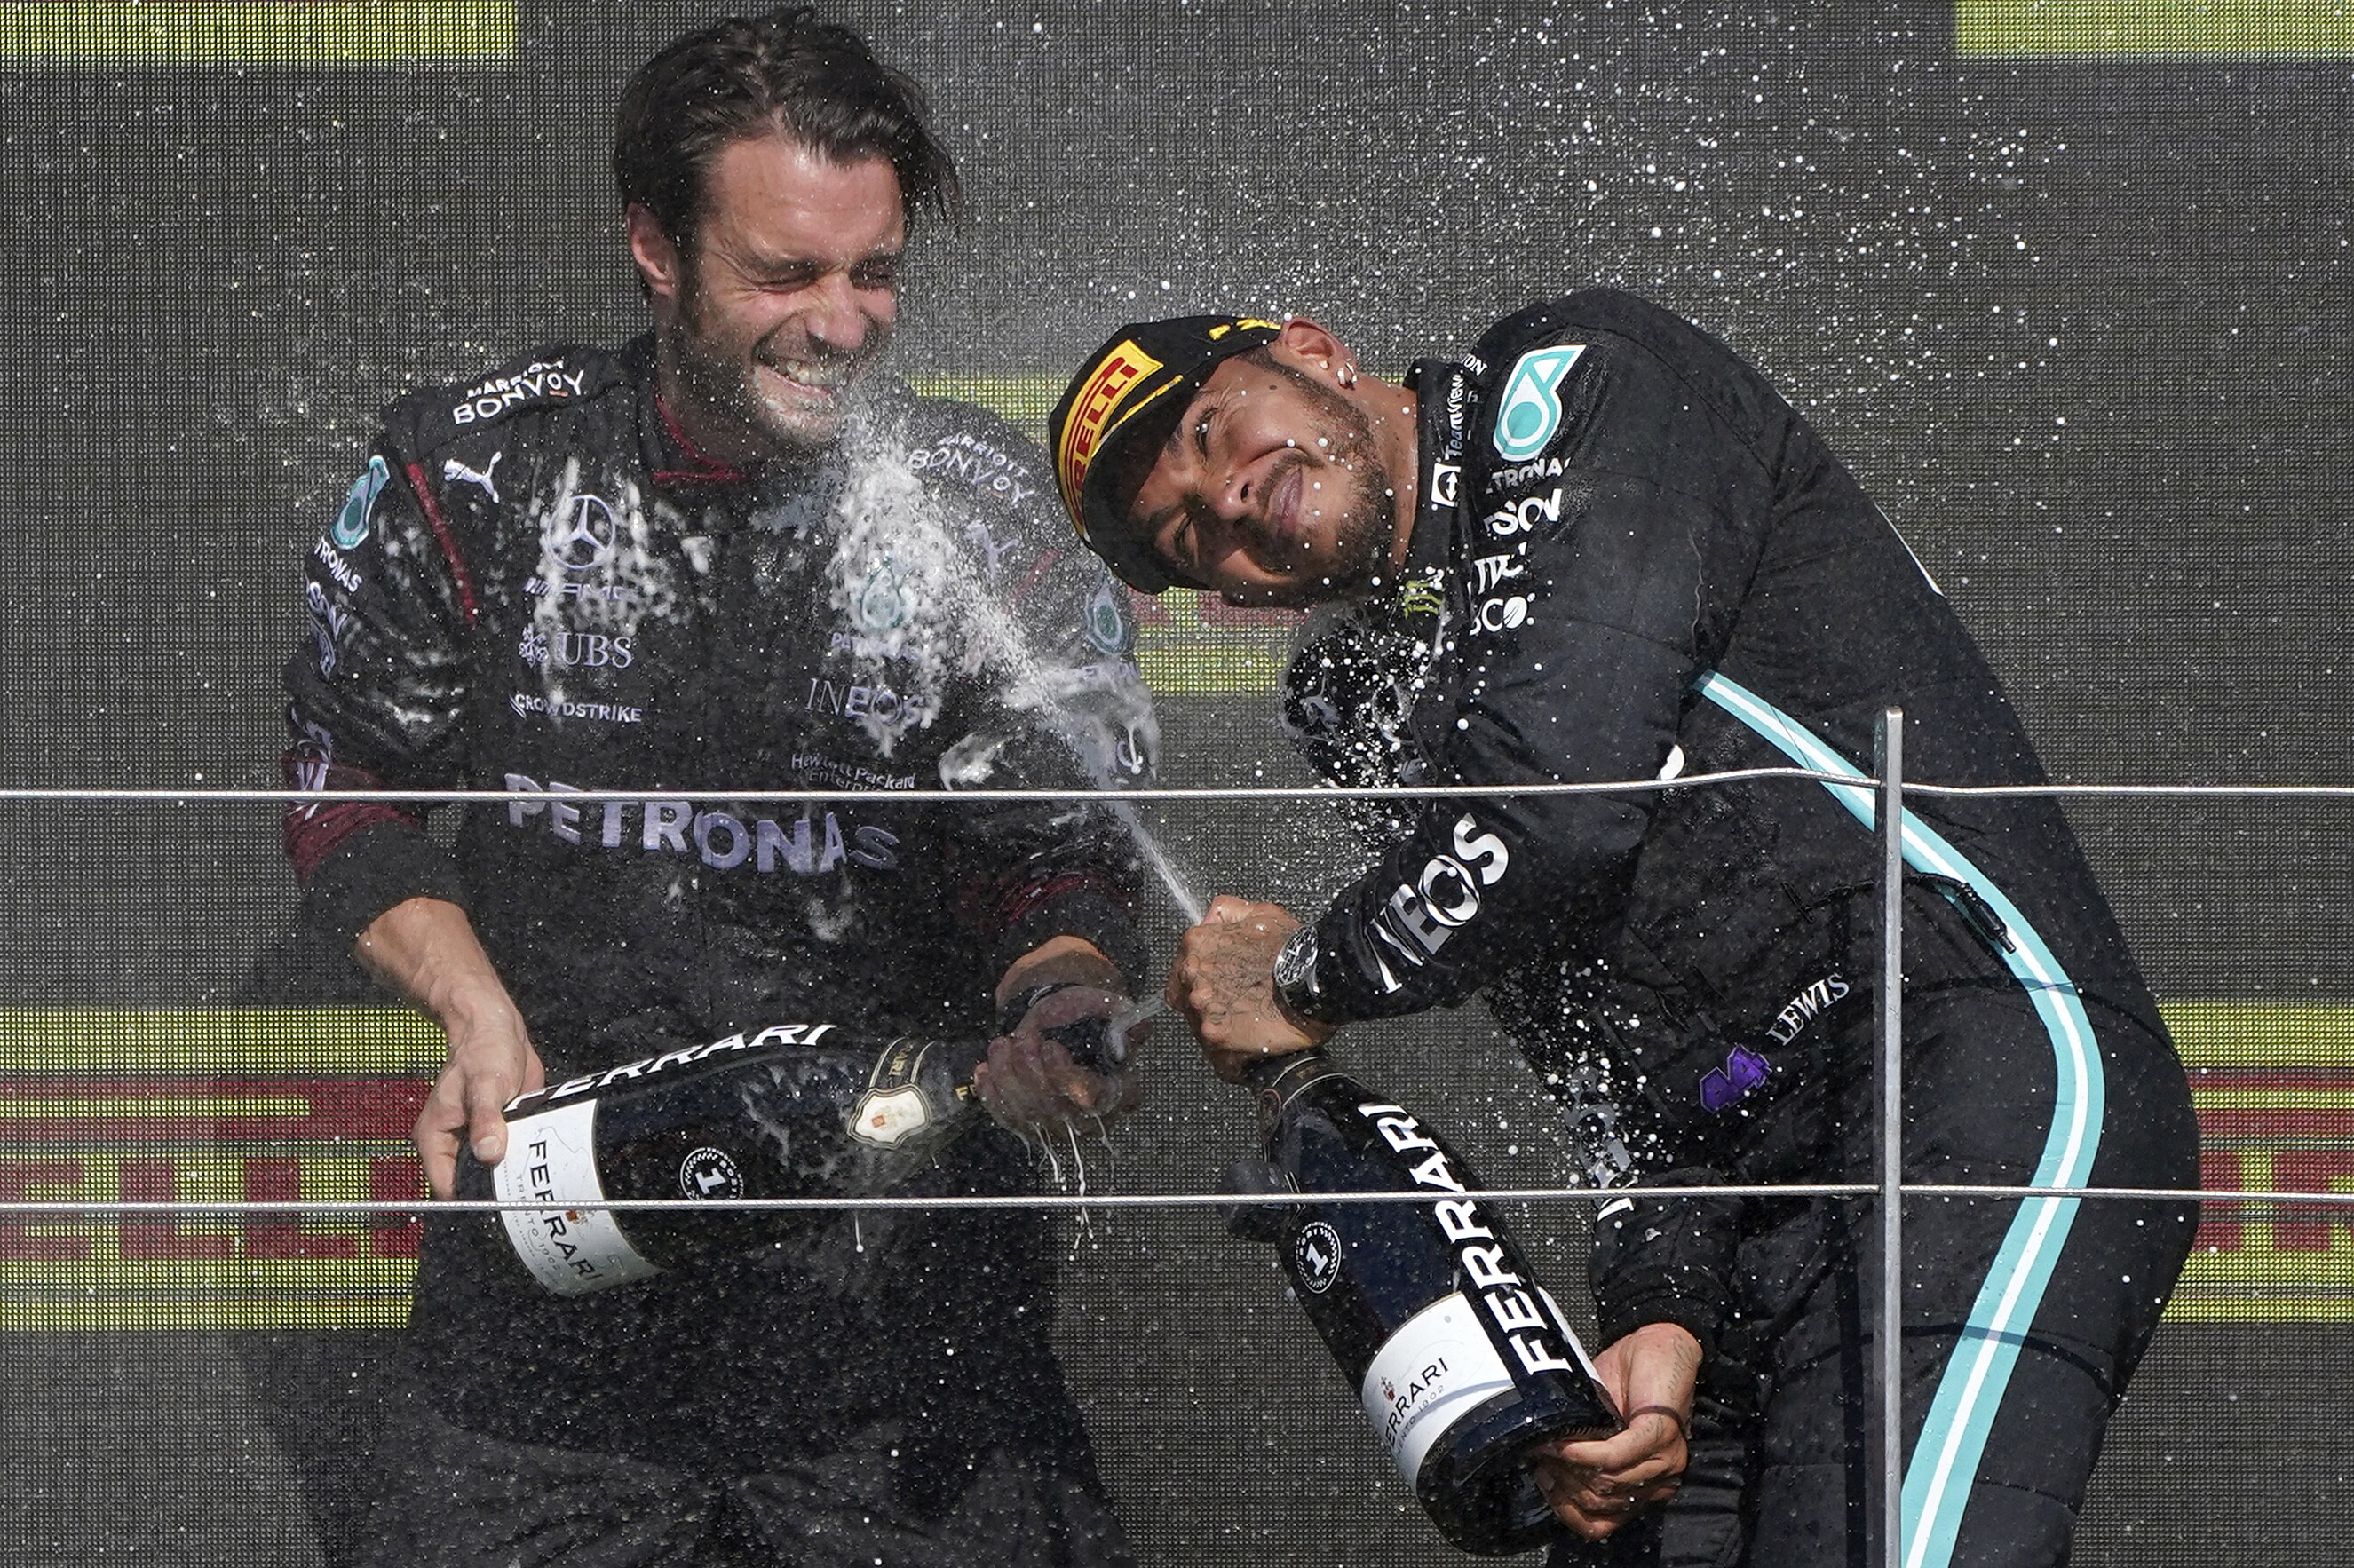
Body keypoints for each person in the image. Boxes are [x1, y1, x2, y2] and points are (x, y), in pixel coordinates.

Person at [1046, 299, 2199, 1567]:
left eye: (1211, 428)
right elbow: (1593, 1043)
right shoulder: (1356, 692)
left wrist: (1308, 975)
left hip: (1973, 1065)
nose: (1228, 495)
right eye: (1188, 533)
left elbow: (1560, 803)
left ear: (1314, 352)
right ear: (1226, 597)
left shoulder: (1571, 385)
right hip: (1751, 1193)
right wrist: (1659, 1300)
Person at [273, 11, 1153, 1564]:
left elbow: (1052, 848)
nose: (841, 324)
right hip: (546, 1316)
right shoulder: (480, 475)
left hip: (902, 1350)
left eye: (874, 274)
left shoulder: (971, 508)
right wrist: (472, 1007)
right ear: (655, 249)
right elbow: (349, 778)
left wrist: (1061, 988)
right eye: (786, 274)